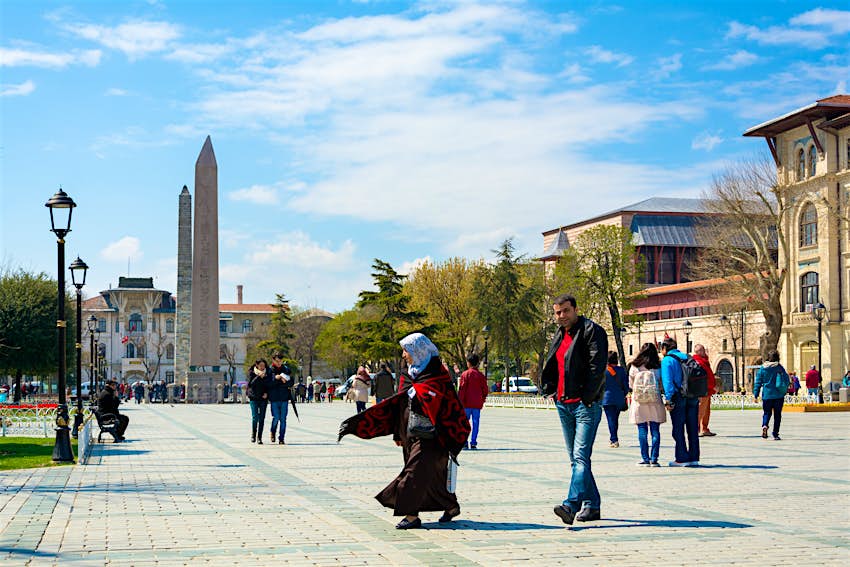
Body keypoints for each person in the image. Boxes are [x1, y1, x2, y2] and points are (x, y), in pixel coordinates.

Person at [338, 333, 470, 530]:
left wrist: (424, 393)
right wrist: (398, 434)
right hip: (410, 431)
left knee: (414, 472)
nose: (403, 355)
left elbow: (448, 402)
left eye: (406, 351)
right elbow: (400, 403)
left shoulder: (437, 372)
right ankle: (450, 505)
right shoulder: (408, 373)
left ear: (418, 351)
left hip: (433, 434)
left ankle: (411, 515)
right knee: (430, 472)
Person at [541, 294, 608, 525]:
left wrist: (588, 397)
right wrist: (549, 389)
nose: (561, 316)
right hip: (563, 404)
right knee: (577, 459)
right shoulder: (560, 334)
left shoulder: (592, 331)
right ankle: (593, 505)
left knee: (580, 457)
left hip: (584, 405)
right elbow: (553, 365)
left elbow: (597, 367)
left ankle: (571, 505)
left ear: (576, 309)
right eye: (558, 312)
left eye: (566, 311)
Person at [660, 337, 700, 467]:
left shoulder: (667, 360)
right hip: (692, 395)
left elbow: (667, 382)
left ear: (665, 348)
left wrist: (669, 399)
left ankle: (681, 457)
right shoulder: (687, 357)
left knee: (678, 428)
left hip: (678, 396)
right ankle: (694, 456)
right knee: (693, 427)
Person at [628, 343, 666, 466]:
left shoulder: (635, 366)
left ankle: (645, 458)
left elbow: (630, 384)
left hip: (639, 401)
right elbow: (661, 384)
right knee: (655, 430)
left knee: (642, 430)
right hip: (654, 400)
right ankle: (654, 459)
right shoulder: (657, 366)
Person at [753, 349, 790, 440]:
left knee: (766, 413)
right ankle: (775, 433)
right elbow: (786, 379)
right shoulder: (779, 367)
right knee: (777, 415)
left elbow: (758, 382)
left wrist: (756, 395)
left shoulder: (762, 368)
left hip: (767, 395)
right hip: (778, 395)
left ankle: (765, 425)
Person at [458, 353, 488, 450]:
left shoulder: (465, 374)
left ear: (468, 363)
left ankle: (465, 442)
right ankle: (474, 442)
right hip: (476, 404)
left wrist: (459, 402)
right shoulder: (481, 376)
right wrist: (482, 399)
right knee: (476, 423)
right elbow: (485, 390)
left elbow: (462, 390)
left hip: (466, 404)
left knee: (465, 424)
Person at [602, 351, 629, 448]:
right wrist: (624, 394)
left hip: (607, 399)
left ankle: (614, 439)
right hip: (618, 398)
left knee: (610, 419)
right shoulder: (621, 370)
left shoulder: (604, 370)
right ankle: (614, 437)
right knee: (615, 419)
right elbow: (626, 385)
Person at [692, 344, 717, 437]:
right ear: (699, 352)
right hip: (703, 390)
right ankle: (696, 429)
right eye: (703, 350)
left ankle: (704, 428)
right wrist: (712, 386)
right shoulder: (699, 362)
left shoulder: (704, 361)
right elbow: (704, 377)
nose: (705, 352)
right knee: (700, 411)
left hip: (707, 390)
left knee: (706, 411)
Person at [268, 354, 293, 444]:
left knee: (283, 419)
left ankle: (281, 438)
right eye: (277, 361)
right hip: (274, 398)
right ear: (273, 360)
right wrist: (276, 379)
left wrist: (284, 381)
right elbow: (268, 384)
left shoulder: (286, 369)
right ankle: (272, 431)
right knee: (276, 417)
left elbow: (291, 383)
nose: (279, 363)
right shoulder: (270, 370)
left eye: (281, 361)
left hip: (284, 398)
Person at [247, 359, 269, 444]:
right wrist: (259, 376)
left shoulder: (268, 373)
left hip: (263, 398)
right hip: (254, 398)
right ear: (257, 365)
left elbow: (269, 385)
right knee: (255, 417)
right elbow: (250, 384)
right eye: (261, 365)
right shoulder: (252, 372)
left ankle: (259, 437)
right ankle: (253, 434)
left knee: (262, 418)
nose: (262, 367)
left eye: (264, 365)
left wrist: (267, 393)